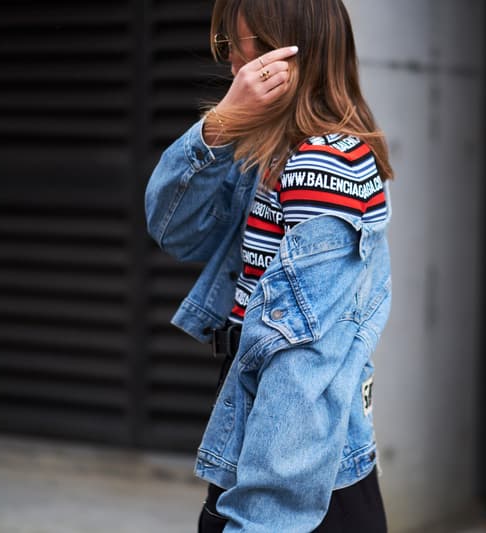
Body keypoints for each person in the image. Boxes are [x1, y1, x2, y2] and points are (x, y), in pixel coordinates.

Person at [145, 0, 393, 530]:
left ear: (283, 53)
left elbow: (301, 365)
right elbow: (171, 227)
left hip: (294, 470)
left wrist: (259, 520)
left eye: (235, 46)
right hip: (262, 430)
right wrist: (221, 125)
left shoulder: (322, 163)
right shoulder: (264, 151)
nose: (230, 64)